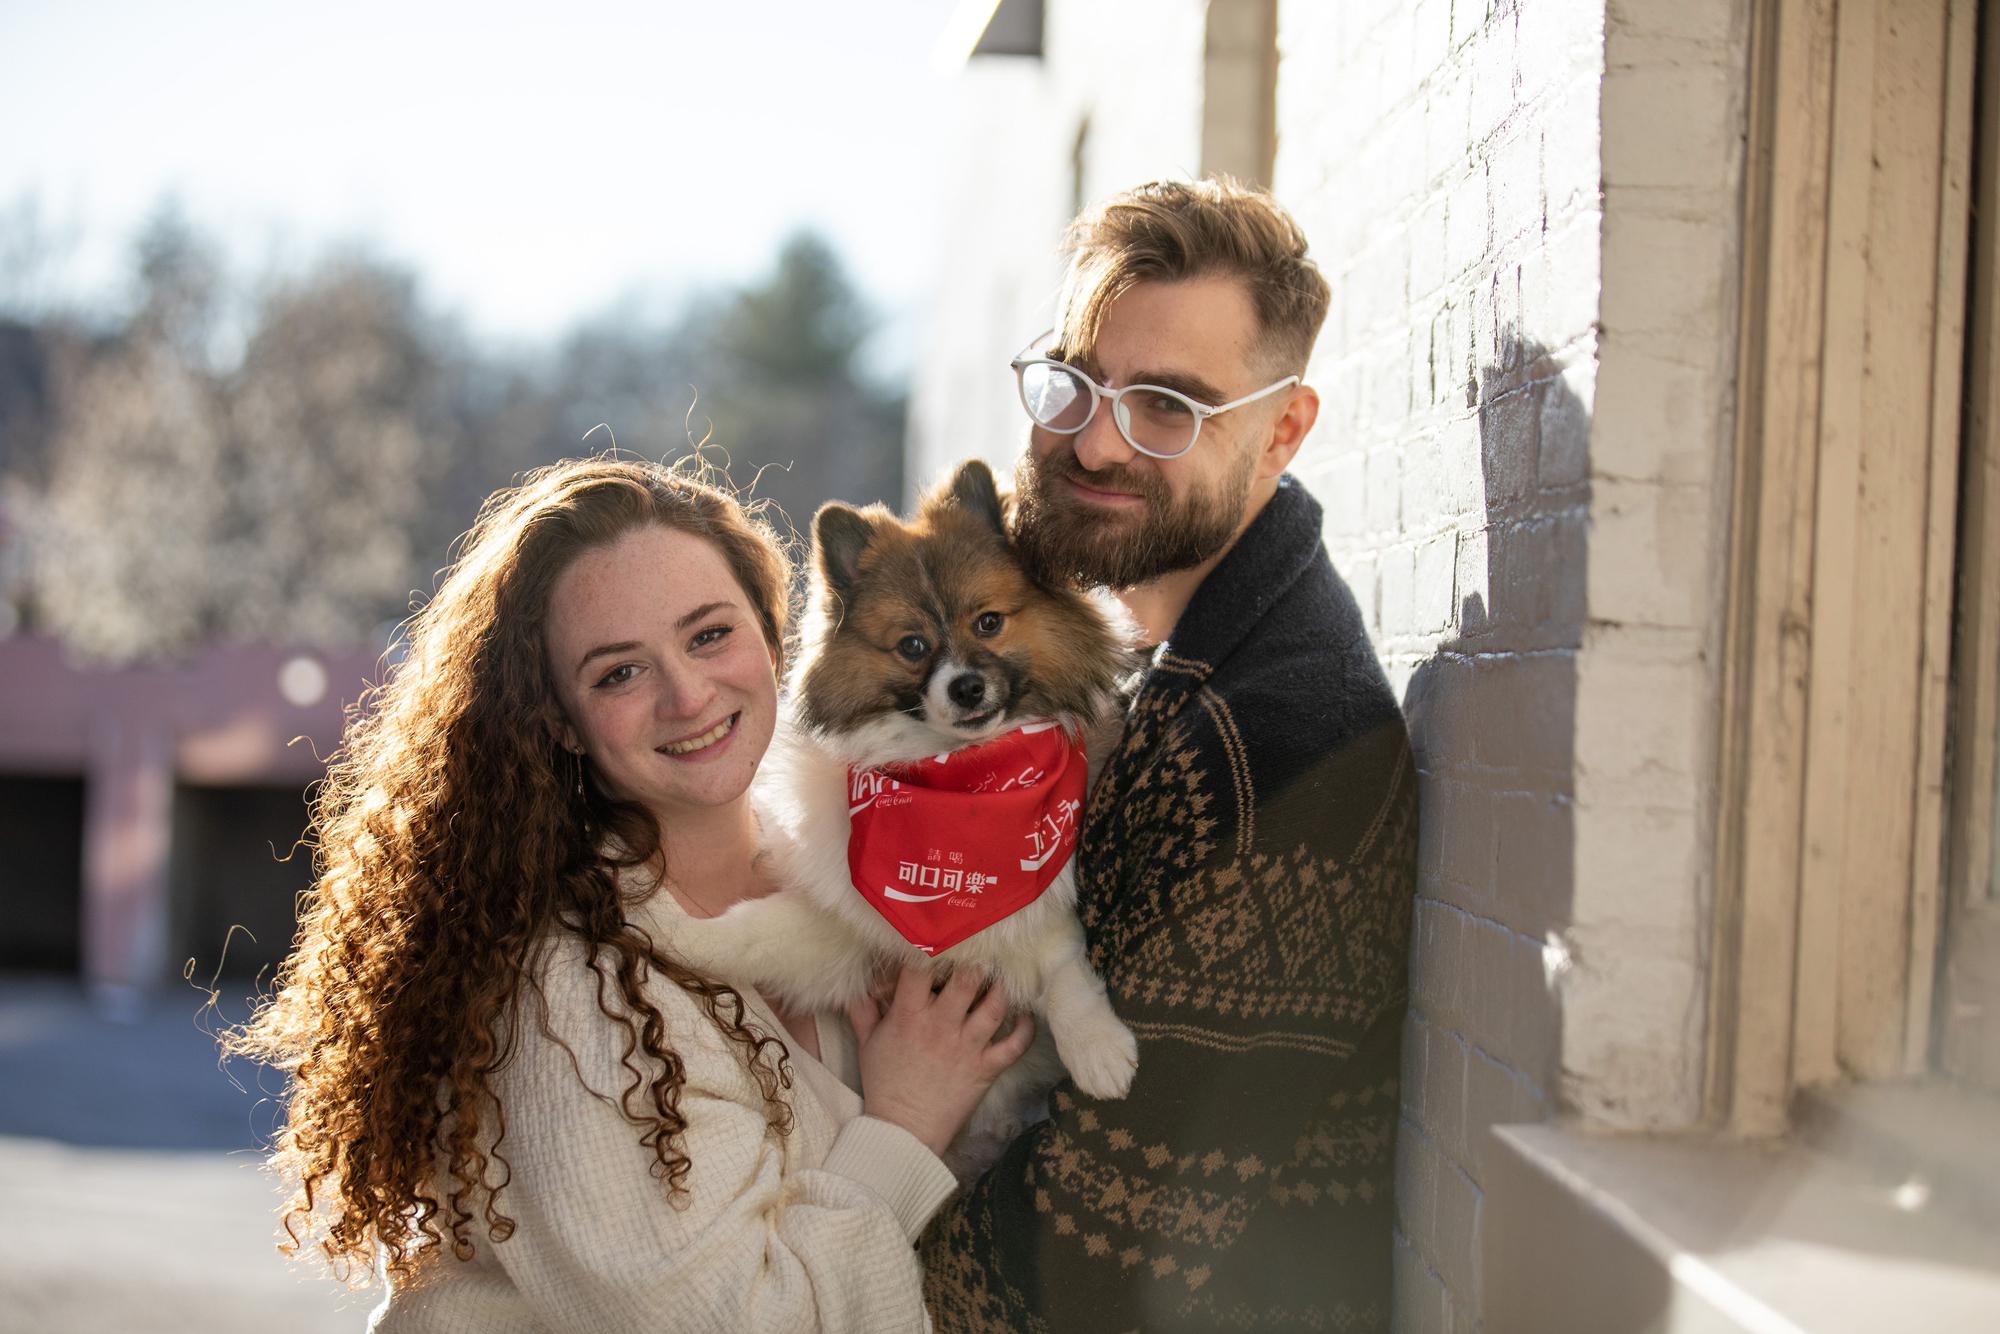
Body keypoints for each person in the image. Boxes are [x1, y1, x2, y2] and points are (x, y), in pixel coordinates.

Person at [228, 457, 1034, 1332]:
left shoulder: (859, 884)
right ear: (560, 723)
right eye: (619, 673)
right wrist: (907, 1123)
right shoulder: (565, 999)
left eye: (709, 635)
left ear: (773, 636)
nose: (688, 695)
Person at [918, 178, 1418, 1330]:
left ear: (1281, 430)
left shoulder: (1280, 747)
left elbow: (1087, 1265)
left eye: (1165, 406)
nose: (1093, 437)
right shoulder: (1151, 674)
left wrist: (802, 1250)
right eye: (1075, 379)